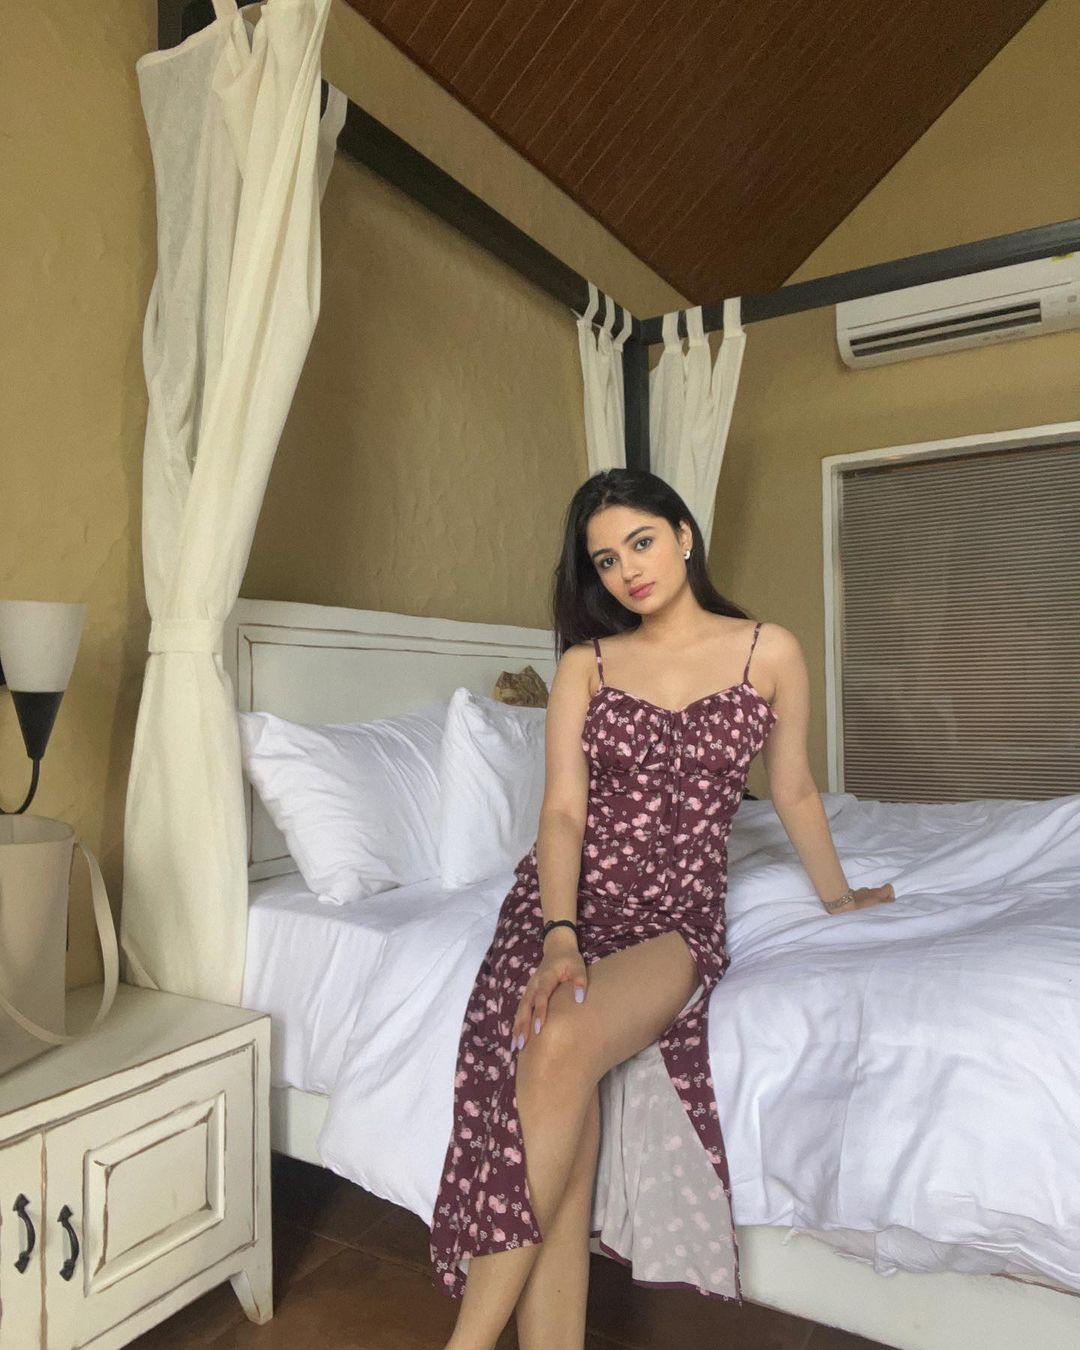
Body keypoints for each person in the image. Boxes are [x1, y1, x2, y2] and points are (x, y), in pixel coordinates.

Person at [430, 468, 896, 1349]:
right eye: (606, 560)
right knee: (559, 1070)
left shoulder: (769, 651)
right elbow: (562, 813)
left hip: (678, 916)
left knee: (558, 1044)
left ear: (684, 534)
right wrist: (558, 936)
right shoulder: (586, 665)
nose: (627, 571)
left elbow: (793, 789)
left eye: (640, 543)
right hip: (566, 902)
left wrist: (839, 897)